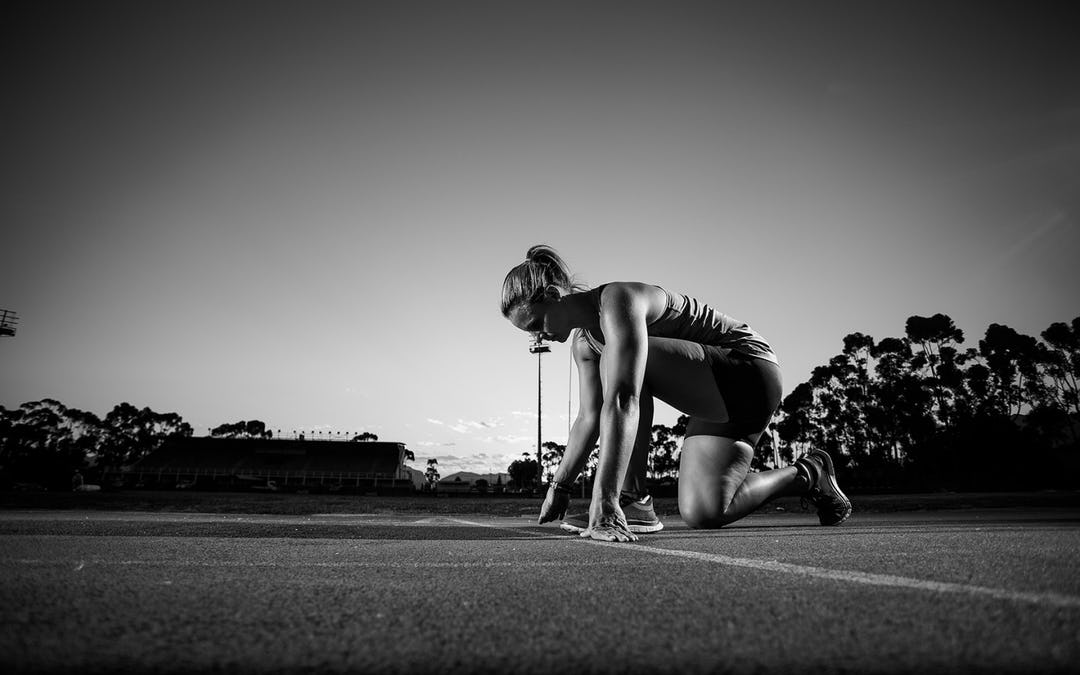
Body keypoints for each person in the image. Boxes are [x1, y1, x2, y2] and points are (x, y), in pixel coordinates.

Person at [501, 245, 851, 542]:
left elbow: (624, 399)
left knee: (618, 363)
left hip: (749, 370)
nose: (537, 338)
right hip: (717, 402)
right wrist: (559, 486)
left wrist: (604, 501)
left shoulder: (617, 301)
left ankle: (631, 499)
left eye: (536, 325)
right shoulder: (583, 343)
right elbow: (589, 418)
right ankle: (808, 473)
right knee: (705, 511)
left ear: (552, 296)